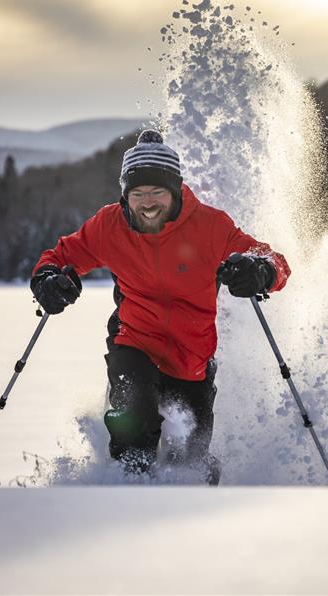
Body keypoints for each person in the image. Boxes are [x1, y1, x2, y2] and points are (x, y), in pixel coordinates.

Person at [30, 130, 290, 481]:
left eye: (157, 193)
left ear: (176, 190)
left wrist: (260, 270)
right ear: (126, 196)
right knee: (134, 418)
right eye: (137, 194)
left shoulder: (210, 226)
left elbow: (272, 258)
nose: (147, 202)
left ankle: (195, 510)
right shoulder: (110, 225)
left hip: (192, 357)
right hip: (134, 339)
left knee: (190, 462)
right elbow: (61, 255)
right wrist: (47, 280)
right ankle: (130, 485)